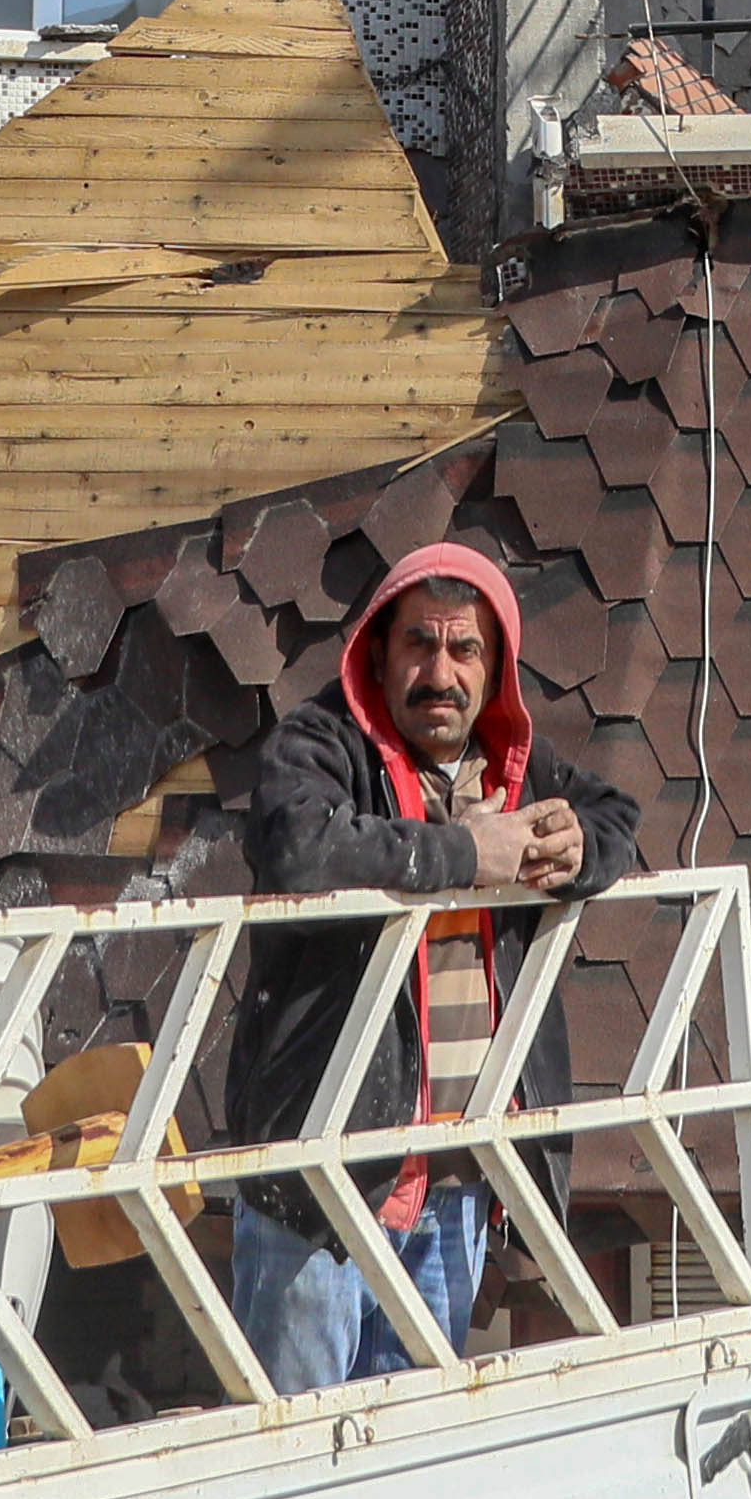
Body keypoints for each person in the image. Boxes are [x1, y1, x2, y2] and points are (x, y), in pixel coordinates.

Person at [224, 542, 643, 1394]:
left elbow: (615, 815)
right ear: (377, 655)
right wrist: (464, 852)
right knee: (299, 1466)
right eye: (419, 644)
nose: (439, 672)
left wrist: (578, 848)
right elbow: (298, 845)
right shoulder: (319, 741)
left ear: (495, 673)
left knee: (412, 1475)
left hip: (454, 1183)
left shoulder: (513, 764)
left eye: (465, 650)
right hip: (320, 1188)